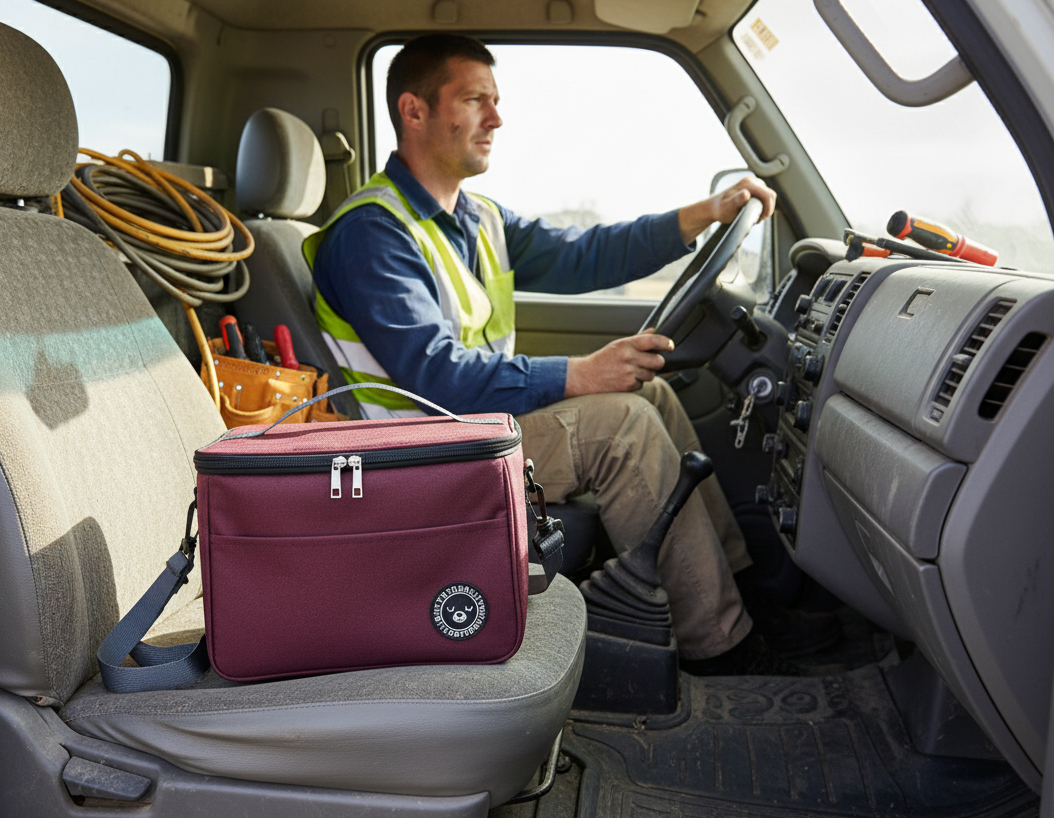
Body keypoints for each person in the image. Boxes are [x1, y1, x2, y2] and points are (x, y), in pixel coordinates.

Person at [306, 34, 834, 674]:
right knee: (625, 427)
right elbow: (438, 379)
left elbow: (587, 254)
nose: (497, 118)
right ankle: (721, 643)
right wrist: (581, 374)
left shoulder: (478, 218)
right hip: (424, 451)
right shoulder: (372, 233)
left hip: (478, 429)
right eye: (475, 100)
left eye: (496, 101)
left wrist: (705, 214)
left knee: (651, 393)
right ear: (414, 111)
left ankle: (747, 595)